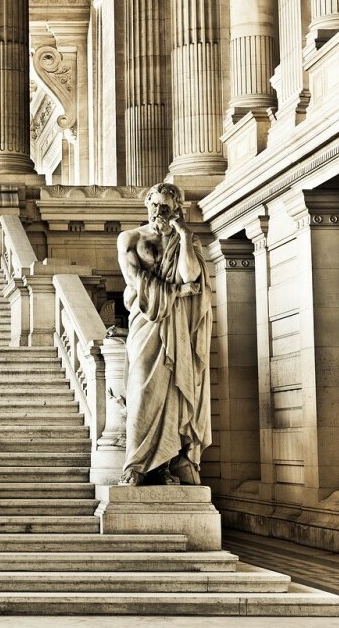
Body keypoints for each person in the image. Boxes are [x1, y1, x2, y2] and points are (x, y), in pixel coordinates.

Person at [116, 183, 212, 486]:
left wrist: (184, 237)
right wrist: (178, 291)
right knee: (142, 389)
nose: (159, 212)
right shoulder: (131, 238)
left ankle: (164, 465)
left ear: (177, 209)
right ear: (147, 204)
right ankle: (134, 465)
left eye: (166, 207)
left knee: (173, 393)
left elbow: (191, 275)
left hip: (178, 327)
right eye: (155, 205)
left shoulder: (186, 240)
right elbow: (135, 280)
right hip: (147, 324)